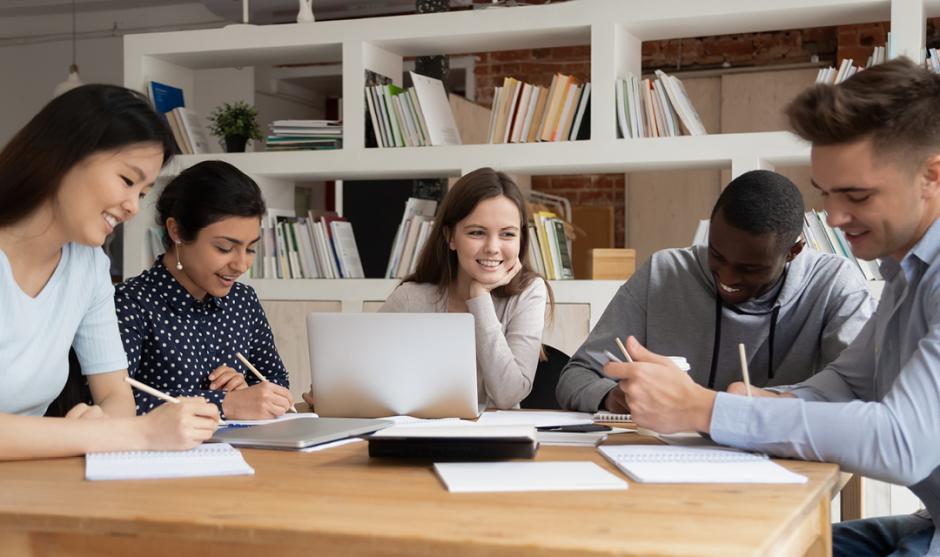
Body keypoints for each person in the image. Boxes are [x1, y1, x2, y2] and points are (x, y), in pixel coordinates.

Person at [609, 58, 940, 556]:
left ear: (932, 176)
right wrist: (757, 403)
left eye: (856, 195)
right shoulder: (906, 268)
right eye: (825, 194)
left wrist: (705, 408)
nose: (834, 217)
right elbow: (850, 380)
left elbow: (902, 444)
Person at [0, 84, 219, 459]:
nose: (133, 207)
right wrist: (133, 434)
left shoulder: (89, 265)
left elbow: (116, 394)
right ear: (64, 156)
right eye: (127, 180)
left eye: (143, 192)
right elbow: (126, 426)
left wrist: (103, 424)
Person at [556, 170, 875, 413]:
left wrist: (752, 406)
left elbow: (861, 395)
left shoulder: (835, 284)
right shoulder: (663, 273)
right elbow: (576, 375)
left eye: (751, 268)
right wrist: (613, 397)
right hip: (664, 466)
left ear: (794, 250)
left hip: (782, 467)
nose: (727, 276)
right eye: (717, 255)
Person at [305, 167, 550, 410]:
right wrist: (333, 390)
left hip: (498, 442)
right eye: (477, 232)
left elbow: (508, 395)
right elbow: (359, 371)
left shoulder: (529, 292)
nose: (493, 247)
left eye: (507, 234)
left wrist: (480, 298)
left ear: (521, 239)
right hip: (417, 436)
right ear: (450, 237)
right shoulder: (412, 297)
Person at [115, 160, 294, 420]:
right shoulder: (131, 303)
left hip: (244, 453)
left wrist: (250, 392)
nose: (241, 264)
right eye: (224, 248)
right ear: (176, 231)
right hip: (158, 456)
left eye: (251, 248)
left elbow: (276, 383)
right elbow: (108, 403)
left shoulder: (243, 301)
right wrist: (225, 403)